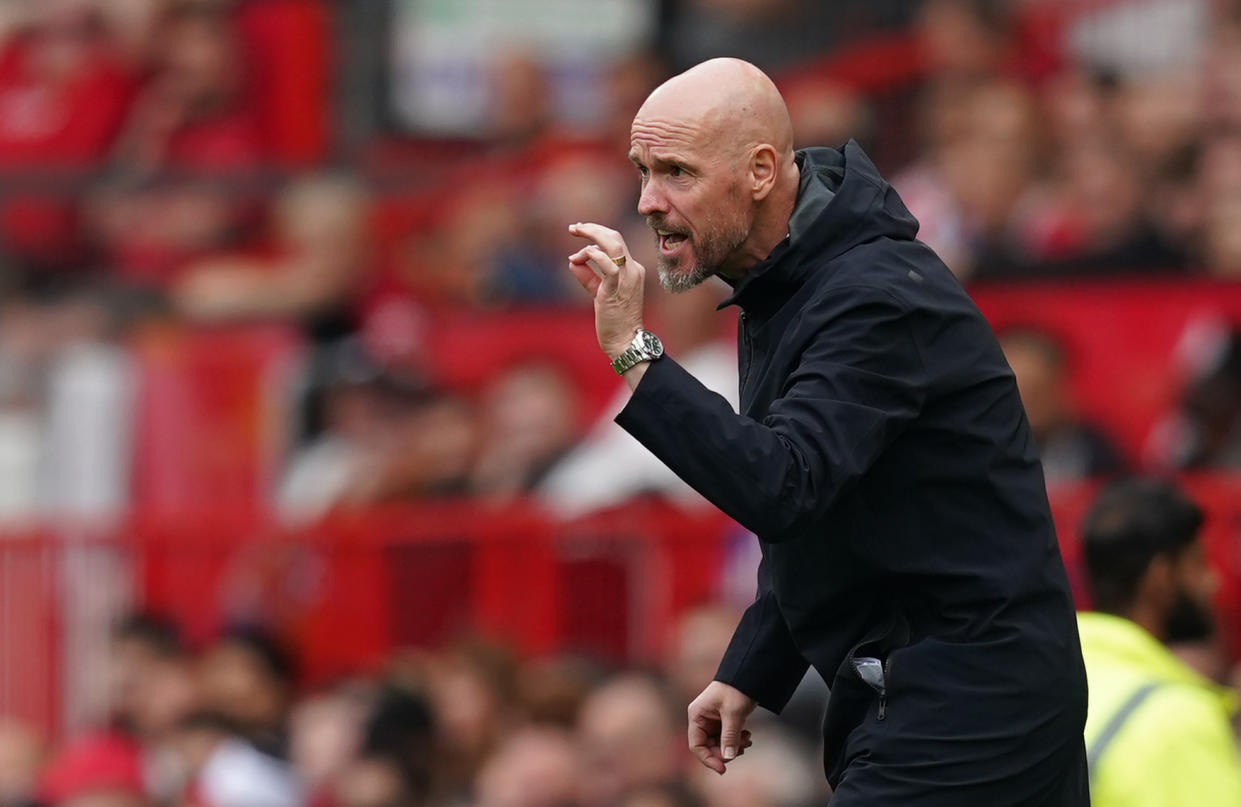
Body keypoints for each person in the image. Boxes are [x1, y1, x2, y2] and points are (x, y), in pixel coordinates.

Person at [565, 58, 1087, 804]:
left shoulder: (870, 297)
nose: (649, 201)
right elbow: (834, 506)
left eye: (677, 171)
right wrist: (752, 666)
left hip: (971, 702)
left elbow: (786, 485)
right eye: (641, 170)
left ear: (759, 171)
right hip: (935, 688)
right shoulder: (789, 281)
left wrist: (633, 351)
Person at [1077, 478, 1241, 806]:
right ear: (1161, 576)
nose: (1212, 581)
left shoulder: (1040, 679)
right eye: (1197, 563)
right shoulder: (1177, 721)